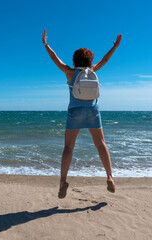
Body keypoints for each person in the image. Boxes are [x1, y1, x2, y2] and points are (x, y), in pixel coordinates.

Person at [42, 29, 122, 198]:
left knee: (68, 147)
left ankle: (63, 182)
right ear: (90, 60)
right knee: (101, 145)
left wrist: (46, 44)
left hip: (74, 113)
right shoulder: (93, 70)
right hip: (93, 111)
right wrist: (115, 47)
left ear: (74, 60)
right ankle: (109, 177)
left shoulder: (70, 72)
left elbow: (54, 58)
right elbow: (106, 59)